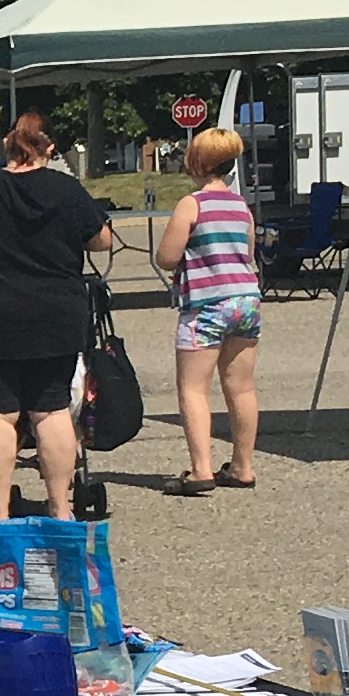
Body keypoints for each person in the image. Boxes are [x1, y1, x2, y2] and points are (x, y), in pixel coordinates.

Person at [0, 114, 116, 516]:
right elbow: (101, 240)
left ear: (5, 144)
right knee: (50, 409)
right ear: (50, 149)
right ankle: (60, 508)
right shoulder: (66, 189)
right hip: (54, 315)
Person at [150, 127, 260, 495]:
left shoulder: (191, 204)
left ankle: (201, 470)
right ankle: (243, 466)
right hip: (245, 300)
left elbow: (167, 257)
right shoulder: (240, 205)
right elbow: (248, 252)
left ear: (196, 162)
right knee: (241, 387)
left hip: (206, 303)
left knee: (194, 388)